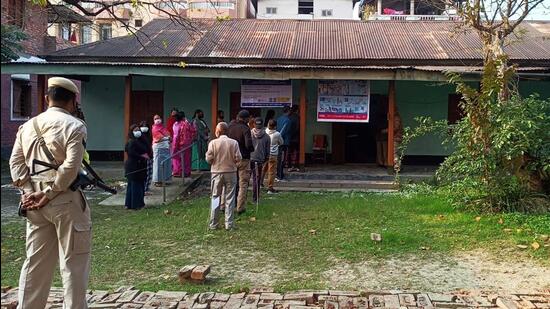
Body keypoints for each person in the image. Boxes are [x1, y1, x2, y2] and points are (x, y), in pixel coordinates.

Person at [9, 77, 90, 308]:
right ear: (74, 101)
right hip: (65, 201)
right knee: (73, 265)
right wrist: (50, 192)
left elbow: (16, 164)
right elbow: (71, 167)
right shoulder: (75, 126)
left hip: (33, 202)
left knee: (35, 264)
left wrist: (27, 192)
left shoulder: (28, 126)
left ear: (47, 99)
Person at [206, 122, 242, 231]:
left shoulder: (213, 143)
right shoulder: (234, 143)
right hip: (231, 172)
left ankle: (214, 223)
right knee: (230, 198)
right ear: (227, 131)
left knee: (215, 197)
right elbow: (238, 158)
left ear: (218, 131)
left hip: (216, 173)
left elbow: (208, 159)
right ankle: (229, 224)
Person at [227, 109, 254, 214]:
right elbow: (248, 145)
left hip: (231, 158)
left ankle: (225, 205)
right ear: (246, 118)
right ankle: (240, 207)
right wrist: (252, 149)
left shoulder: (230, 127)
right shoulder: (245, 128)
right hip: (243, 159)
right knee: (243, 183)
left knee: (230, 183)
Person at [125, 124, 149, 210]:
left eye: (138, 129)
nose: (138, 131)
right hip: (134, 166)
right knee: (135, 186)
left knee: (136, 185)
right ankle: (135, 204)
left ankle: (132, 204)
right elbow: (131, 153)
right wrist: (142, 156)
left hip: (140, 166)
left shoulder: (142, 140)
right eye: (135, 130)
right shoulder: (131, 141)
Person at [250, 117, 271, 203]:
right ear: (262, 125)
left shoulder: (249, 134)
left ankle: (241, 197)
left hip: (249, 158)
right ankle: (255, 198)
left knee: (245, 179)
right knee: (257, 179)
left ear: (254, 124)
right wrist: (266, 158)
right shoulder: (266, 136)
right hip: (259, 160)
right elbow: (267, 150)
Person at [263, 119, 284, 194]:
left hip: (265, 154)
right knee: (271, 172)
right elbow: (281, 142)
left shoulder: (265, 132)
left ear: (268, 125)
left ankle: (260, 184)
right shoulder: (277, 134)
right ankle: (270, 188)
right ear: (275, 126)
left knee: (263, 169)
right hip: (273, 154)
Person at [152, 115, 172, 186]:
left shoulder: (163, 127)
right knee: (158, 164)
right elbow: (158, 138)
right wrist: (167, 137)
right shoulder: (154, 128)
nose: (157, 120)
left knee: (166, 164)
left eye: (158, 118)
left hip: (166, 147)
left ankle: (165, 179)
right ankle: (157, 181)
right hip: (159, 148)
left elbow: (168, 134)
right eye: (155, 119)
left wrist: (169, 138)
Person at [178, 111, 197, 178]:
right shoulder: (186, 124)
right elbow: (193, 130)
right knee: (187, 159)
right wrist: (194, 125)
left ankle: (180, 172)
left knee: (180, 159)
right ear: (183, 117)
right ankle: (186, 172)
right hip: (187, 143)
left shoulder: (176, 124)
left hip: (179, 143)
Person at [276, 106, 292, 181]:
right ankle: (280, 175)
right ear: (288, 111)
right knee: (282, 159)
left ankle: (279, 174)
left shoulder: (278, 119)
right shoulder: (288, 120)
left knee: (279, 159)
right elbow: (283, 132)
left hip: (277, 142)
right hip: (283, 142)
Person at [139, 120, 153, 195]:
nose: (144, 128)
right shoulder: (139, 136)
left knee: (150, 173)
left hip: (149, 156)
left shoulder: (149, 135)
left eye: (146, 126)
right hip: (143, 157)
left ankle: (147, 188)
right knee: (145, 173)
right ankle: (144, 189)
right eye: (143, 126)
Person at [171, 112, 184, 177]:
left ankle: (177, 172)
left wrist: (174, 145)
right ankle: (180, 171)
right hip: (182, 143)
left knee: (176, 159)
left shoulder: (176, 125)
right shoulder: (183, 124)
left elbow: (176, 136)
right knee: (180, 158)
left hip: (177, 143)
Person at [288, 105, 300, 172]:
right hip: (296, 137)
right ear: (297, 110)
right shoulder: (297, 117)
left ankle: (289, 165)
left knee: (289, 152)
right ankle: (295, 165)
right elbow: (297, 128)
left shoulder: (288, 117)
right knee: (296, 152)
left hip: (289, 138)